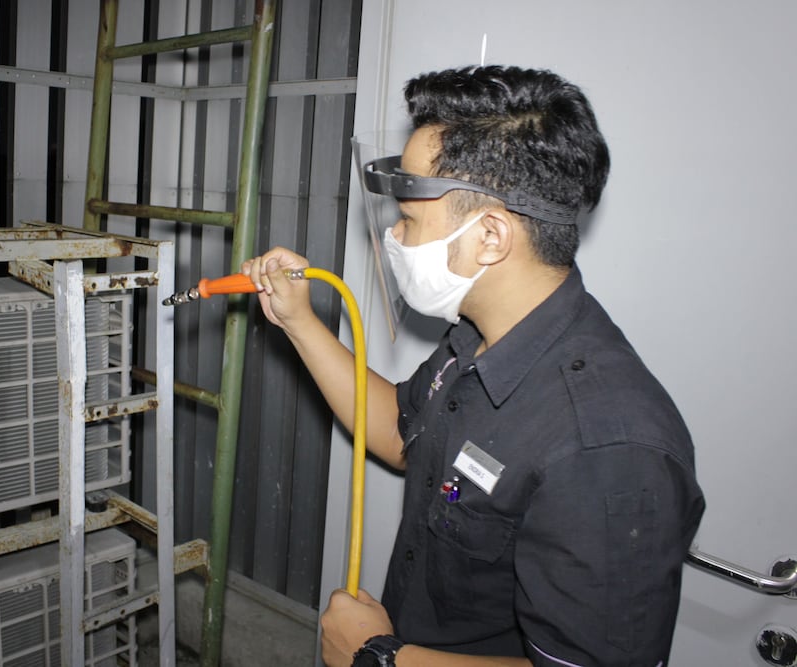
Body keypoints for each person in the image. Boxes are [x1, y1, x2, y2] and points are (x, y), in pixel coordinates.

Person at [242, 65, 705, 667]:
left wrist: (382, 656)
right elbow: (401, 433)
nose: (395, 235)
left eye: (410, 219)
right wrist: (300, 321)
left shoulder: (605, 446)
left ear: (490, 236)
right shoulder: (477, 336)